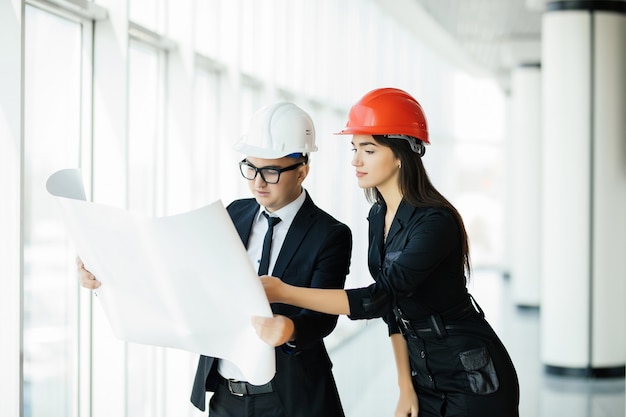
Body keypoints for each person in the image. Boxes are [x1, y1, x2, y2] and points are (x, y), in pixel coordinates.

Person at [255, 88, 520, 417]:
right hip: (425, 376)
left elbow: (378, 297)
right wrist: (405, 386)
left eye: (368, 149)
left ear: (400, 154)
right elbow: (392, 312)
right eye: (354, 149)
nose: (355, 160)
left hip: (472, 375)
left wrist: (285, 292)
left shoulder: (435, 222)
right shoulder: (378, 215)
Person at [79, 101, 352, 417]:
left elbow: (323, 315)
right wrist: (105, 270)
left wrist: (289, 329)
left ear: (302, 171)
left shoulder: (330, 234)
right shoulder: (234, 213)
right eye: (250, 167)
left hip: (290, 399)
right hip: (226, 397)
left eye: (271, 171)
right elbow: (179, 271)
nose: (257, 182)